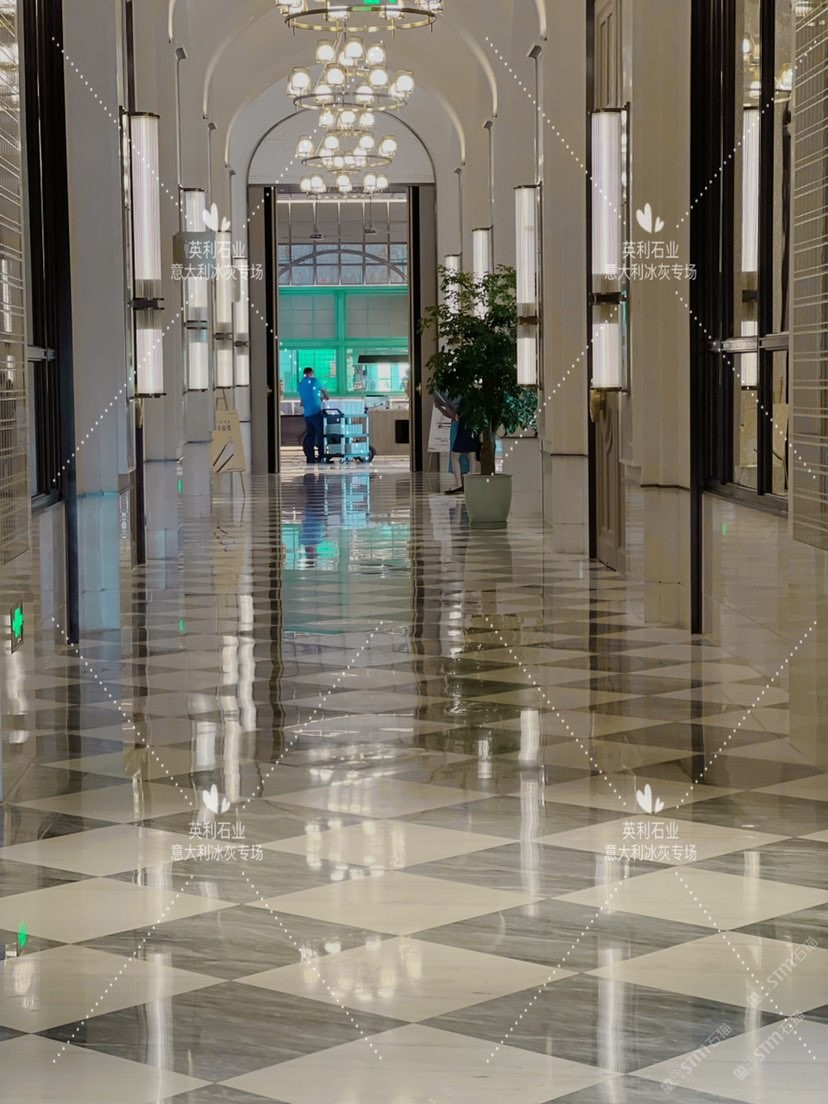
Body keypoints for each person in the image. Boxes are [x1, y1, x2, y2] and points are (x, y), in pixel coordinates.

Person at [433, 393, 480, 495]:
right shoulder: (474, 401)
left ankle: (459, 484)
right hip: (472, 429)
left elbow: (454, 416)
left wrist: (445, 406)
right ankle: (471, 483)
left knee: (454, 457)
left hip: (462, 430)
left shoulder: (459, 402)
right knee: (472, 456)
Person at [298, 367, 329, 464]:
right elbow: (324, 392)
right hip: (316, 412)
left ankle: (310, 458)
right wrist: (325, 397)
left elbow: (302, 402)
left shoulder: (300, 384)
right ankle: (321, 457)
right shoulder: (315, 381)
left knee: (310, 436)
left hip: (307, 414)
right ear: (311, 373)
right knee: (320, 435)